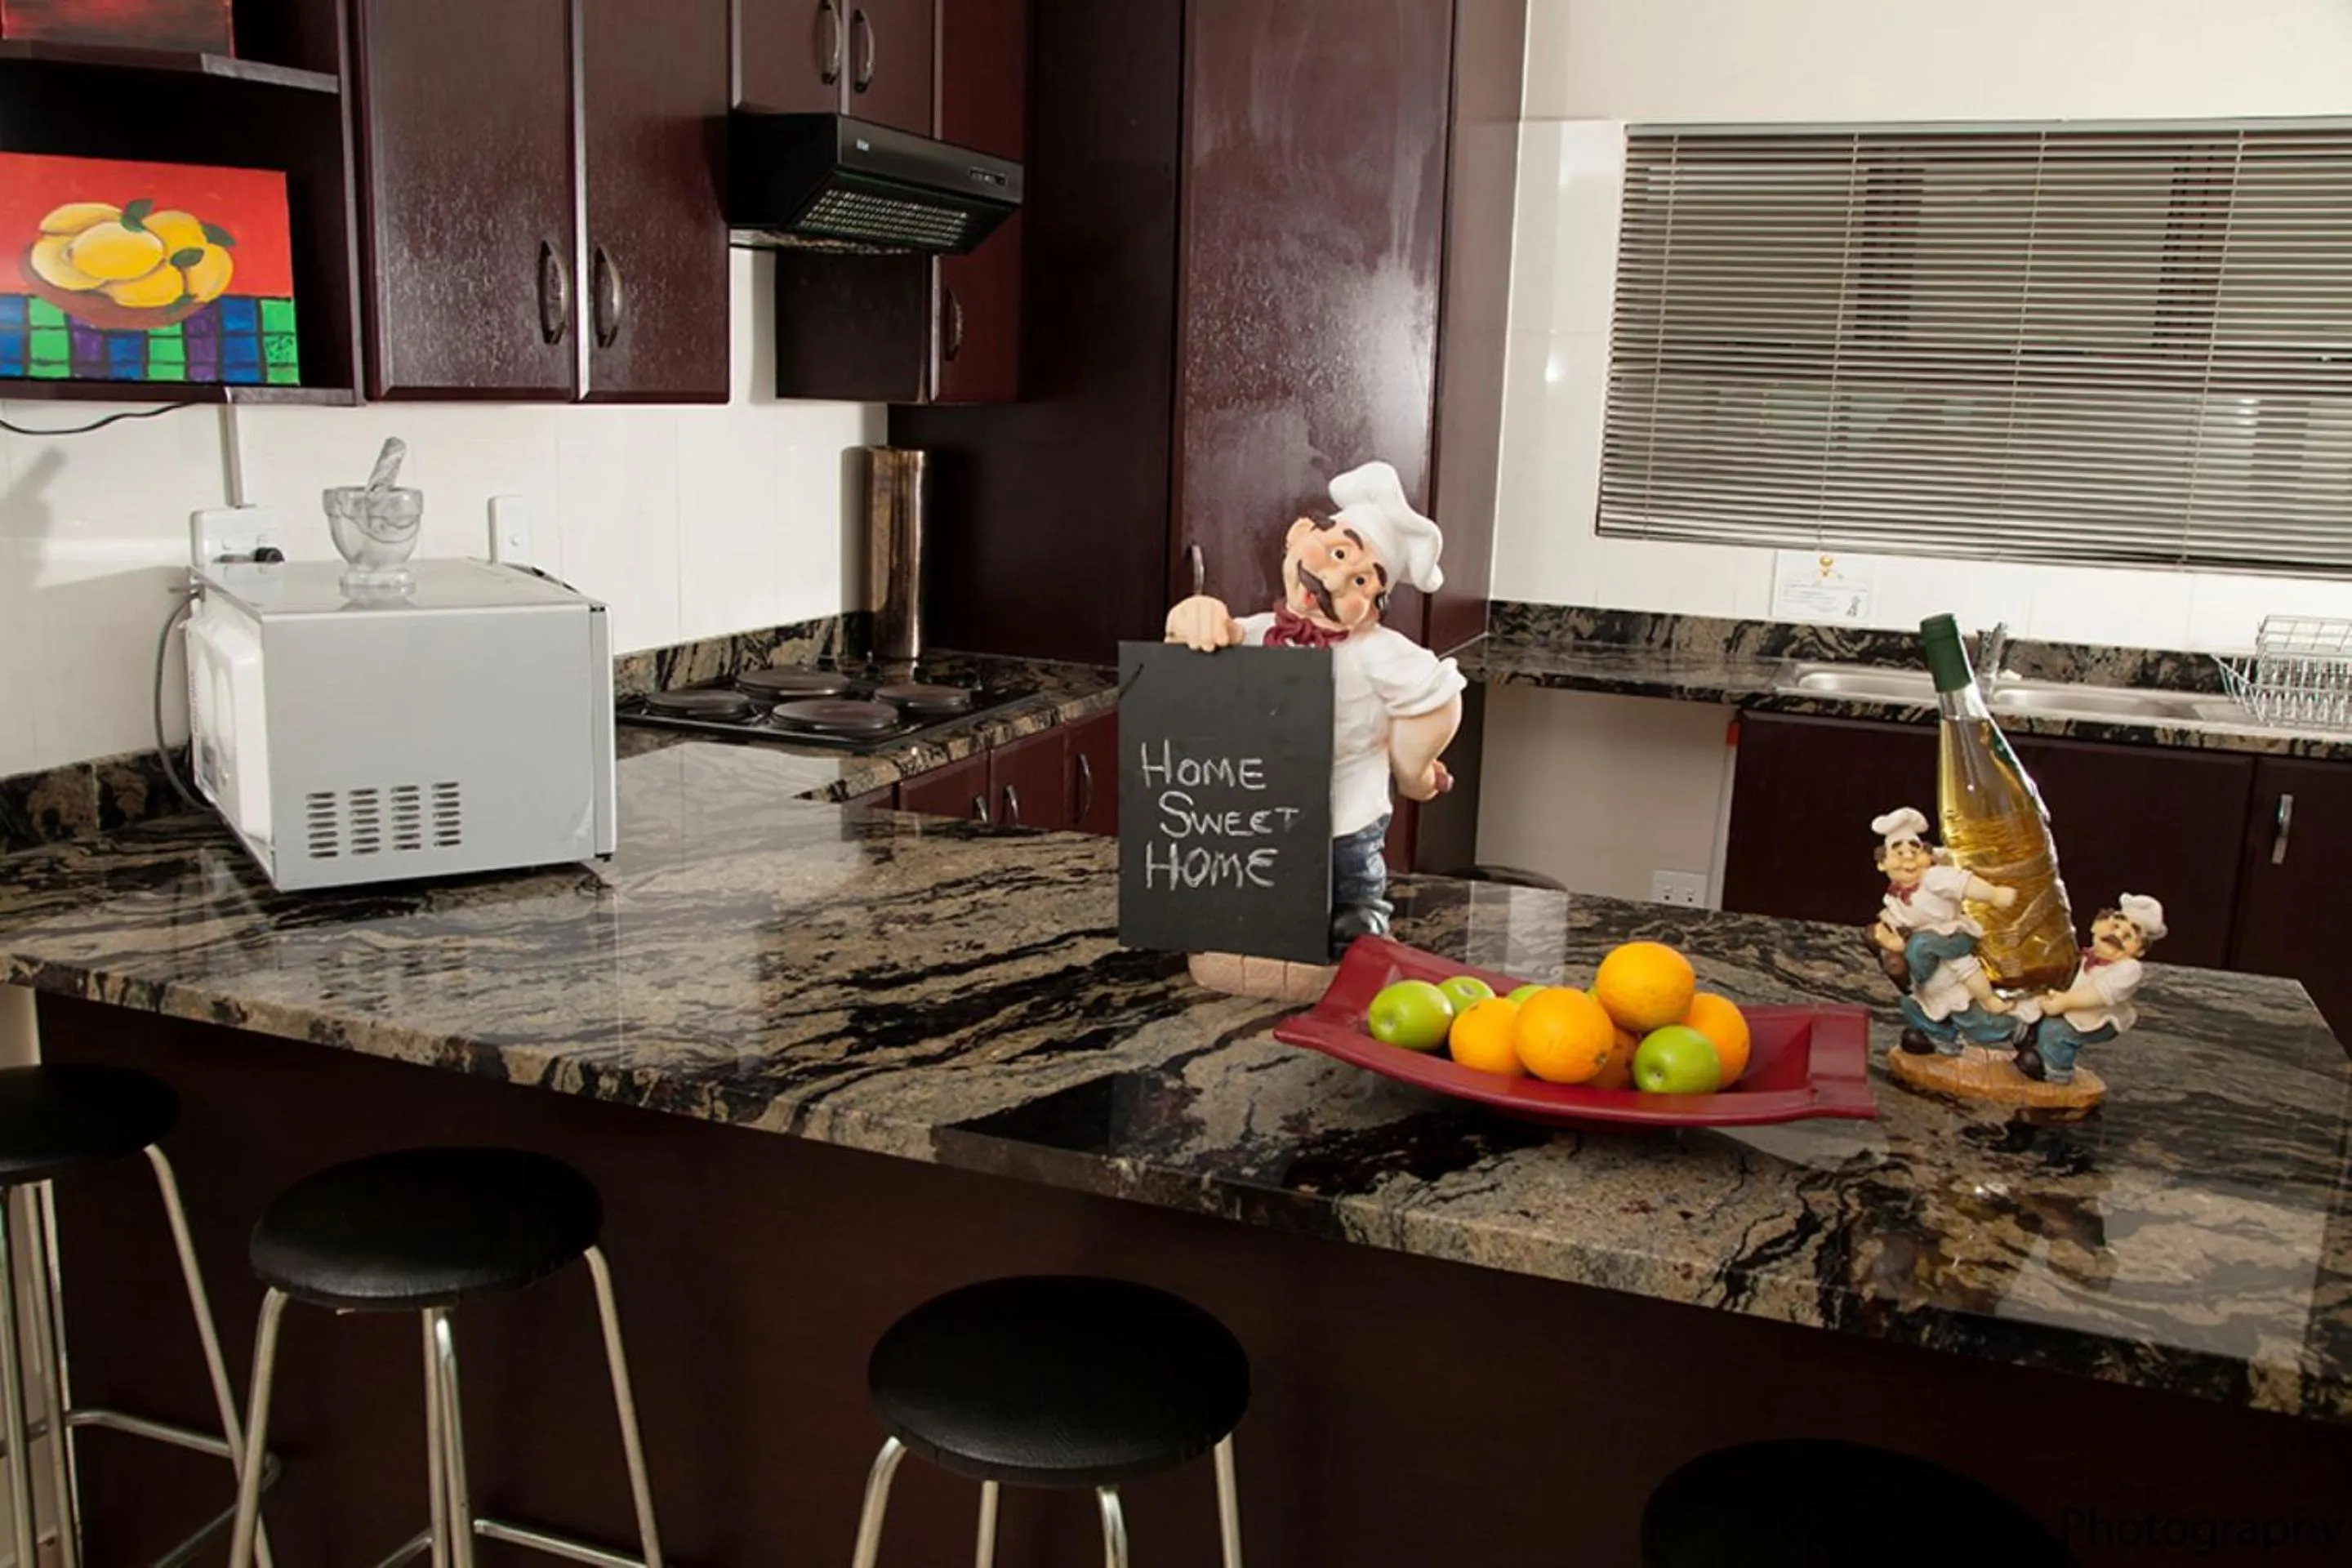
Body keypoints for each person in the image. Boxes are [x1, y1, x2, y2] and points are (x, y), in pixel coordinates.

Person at [1165, 460, 1465, 958]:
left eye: (1362, 582)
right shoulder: (1259, 632)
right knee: (1263, 903)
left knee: (1352, 903)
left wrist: (1411, 769)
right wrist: (1193, 615)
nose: (1334, 579)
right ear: (1299, 533)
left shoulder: (1375, 651)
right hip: (1261, 812)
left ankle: (1357, 944)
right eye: (1338, 552)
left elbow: (1439, 694)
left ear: (1372, 606)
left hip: (1346, 812)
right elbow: (1192, 655)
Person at [1867, 807, 2022, 1055]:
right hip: (1930, 969)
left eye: (1914, 851)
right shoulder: (1894, 896)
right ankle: (1941, 1039)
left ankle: (2018, 1031)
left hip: (1950, 936)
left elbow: (1964, 883)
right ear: (1882, 864)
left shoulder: (1933, 878)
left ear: (1927, 856)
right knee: (1915, 1004)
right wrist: (1888, 941)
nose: (1908, 858)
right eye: (1899, 853)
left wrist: (1994, 895)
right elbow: (1893, 925)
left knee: (1971, 1014)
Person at [2016, 894, 2165, 1083]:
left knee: (2057, 1030)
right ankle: (2031, 1045)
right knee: (2031, 1010)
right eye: (2115, 927)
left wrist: (2065, 1001)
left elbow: (2100, 993)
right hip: (2070, 1004)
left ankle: (2054, 1069)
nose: (2116, 936)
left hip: (2098, 1016)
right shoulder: (2087, 954)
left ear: (2140, 950)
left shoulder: (2129, 969)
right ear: (2096, 925)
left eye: (2128, 936)